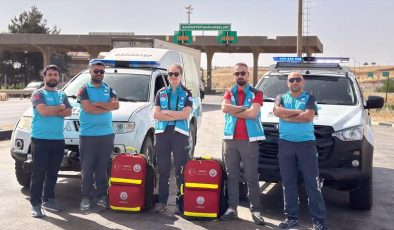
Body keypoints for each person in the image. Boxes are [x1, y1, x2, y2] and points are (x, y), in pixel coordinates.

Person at [273, 72, 329, 230]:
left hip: (306, 145)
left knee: (312, 184)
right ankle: (291, 218)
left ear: (303, 82)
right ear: (288, 83)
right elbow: (277, 111)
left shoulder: (309, 98)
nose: (295, 82)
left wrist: (287, 116)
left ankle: (319, 221)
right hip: (285, 144)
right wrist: (298, 113)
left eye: (298, 79)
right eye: (291, 80)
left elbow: (309, 116)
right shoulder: (280, 97)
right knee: (288, 183)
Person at [220, 62, 265, 225]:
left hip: (249, 140)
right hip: (230, 139)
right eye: (237, 73)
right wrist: (242, 108)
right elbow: (224, 108)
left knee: (251, 177)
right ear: (234, 76)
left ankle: (256, 210)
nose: (240, 76)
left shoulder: (256, 93)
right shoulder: (228, 92)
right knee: (232, 176)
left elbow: (253, 114)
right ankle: (232, 208)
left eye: (243, 73)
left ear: (248, 75)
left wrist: (235, 109)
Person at [30, 65, 72, 217]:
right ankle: (35, 204)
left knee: (53, 173)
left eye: (55, 74)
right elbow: (43, 111)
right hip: (40, 140)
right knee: (38, 173)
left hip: (58, 140)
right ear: (44, 77)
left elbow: (69, 111)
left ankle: (48, 199)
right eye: (50, 74)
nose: (53, 77)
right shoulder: (38, 93)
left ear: (59, 77)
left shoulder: (62, 94)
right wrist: (59, 108)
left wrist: (54, 109)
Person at [77, 61, 119, 211]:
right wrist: (105, 106)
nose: (99, 74)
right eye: (96, 71)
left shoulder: (109, 89)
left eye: (102, 72)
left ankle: (102, 196)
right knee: (87, 168)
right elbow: (87, 108)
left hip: (107, 135)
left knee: (102, 168)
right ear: (91, 71)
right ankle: (86, 197)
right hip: (88, 136)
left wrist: (97, 104)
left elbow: (116, 105)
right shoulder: (83, 90)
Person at [151, 64, 193, 213]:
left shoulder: (187, 93)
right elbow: (155, 114)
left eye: (176, 74)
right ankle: (162, 202)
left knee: (181, 170)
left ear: (181, 75)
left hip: (180, 134)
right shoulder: (161, 92)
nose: (173, 77)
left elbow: (185, 115)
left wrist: (166, 112)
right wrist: (175, 113)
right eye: (170, 74)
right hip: (162, 133)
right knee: (163, 169)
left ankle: (180, 204)